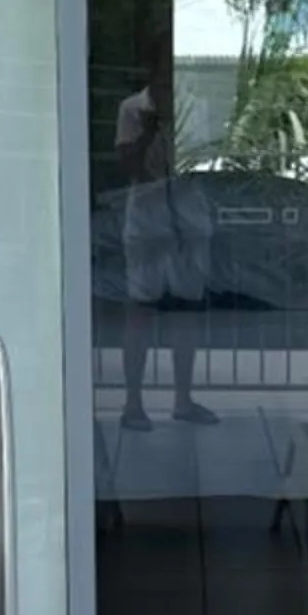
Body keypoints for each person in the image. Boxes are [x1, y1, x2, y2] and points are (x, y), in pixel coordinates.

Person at [113, 65, 216, 430]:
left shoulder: (195, 108)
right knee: (140, 311)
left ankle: (183, 400)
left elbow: (199, 165)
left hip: (187, 221)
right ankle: (133, 404)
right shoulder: (131, 110)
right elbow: (128, 167)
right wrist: (149, 132)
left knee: (185, 315)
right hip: (147, 221)